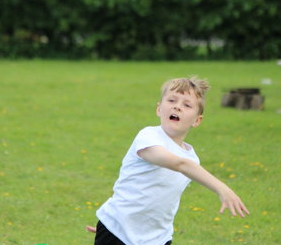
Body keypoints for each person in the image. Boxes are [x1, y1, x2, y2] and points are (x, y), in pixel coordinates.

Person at [86, 76, 249, 245]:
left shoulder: (192, 158)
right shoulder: (148, 136)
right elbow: (180, 165)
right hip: (117, 230)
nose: (177, 106)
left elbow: (161, 198)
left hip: (157, 238)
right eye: (172, 100)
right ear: (159, 109)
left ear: (197, 120)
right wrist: (222, 188)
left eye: (187, 105)